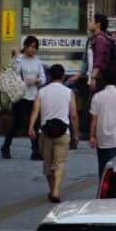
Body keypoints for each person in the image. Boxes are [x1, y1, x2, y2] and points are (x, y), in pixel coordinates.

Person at [32, 62, 74, 200]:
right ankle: (56, 191)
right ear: (63, 76)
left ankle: (52, 189)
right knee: (60, 163)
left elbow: (35, 110)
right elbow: (73, 114)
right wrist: (77, 133)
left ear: (49, 76)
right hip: (63, 132)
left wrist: (30, 127)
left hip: (45, 133)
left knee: (48, 164)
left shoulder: (42, 91)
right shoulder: (68, 92)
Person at [6, 36, 44, 161]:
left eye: (35, 47)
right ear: (25, 46)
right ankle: (6, 145)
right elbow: (15, 73)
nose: (33, 50)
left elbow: (43, 78)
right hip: (20, 96)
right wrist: (16, 57)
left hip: (34, 96)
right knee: (18, 123)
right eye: (31, 47)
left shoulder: (38, 61)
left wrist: (37, 81)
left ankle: (35, 150)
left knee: (35, 123)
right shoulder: (19, 59)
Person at [88, 70, 116, 177]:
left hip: (100, 136)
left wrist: (92, 136)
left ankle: (102, 187)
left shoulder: (97, 97)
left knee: (102, 165)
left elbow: (94, 118)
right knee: (115, 165)